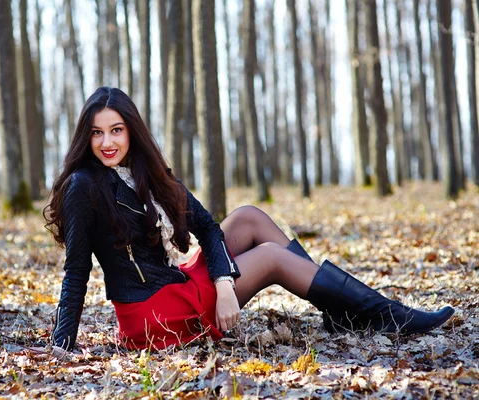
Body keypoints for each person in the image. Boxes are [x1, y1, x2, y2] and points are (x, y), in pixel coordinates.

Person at [44, 86, 454, 352]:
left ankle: (340, 310)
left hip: (176, 285)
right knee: (273, 257)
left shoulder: (146, 173)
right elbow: (76, 270)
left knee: (248, 217)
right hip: (151, 313)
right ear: (87, 136)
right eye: (97, 133)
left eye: (116, 130)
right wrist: (62, 346)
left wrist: (224, 283)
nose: (107, 142)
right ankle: (387, 315)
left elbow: (205, 226)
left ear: (131, 131)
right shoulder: (85, 185)